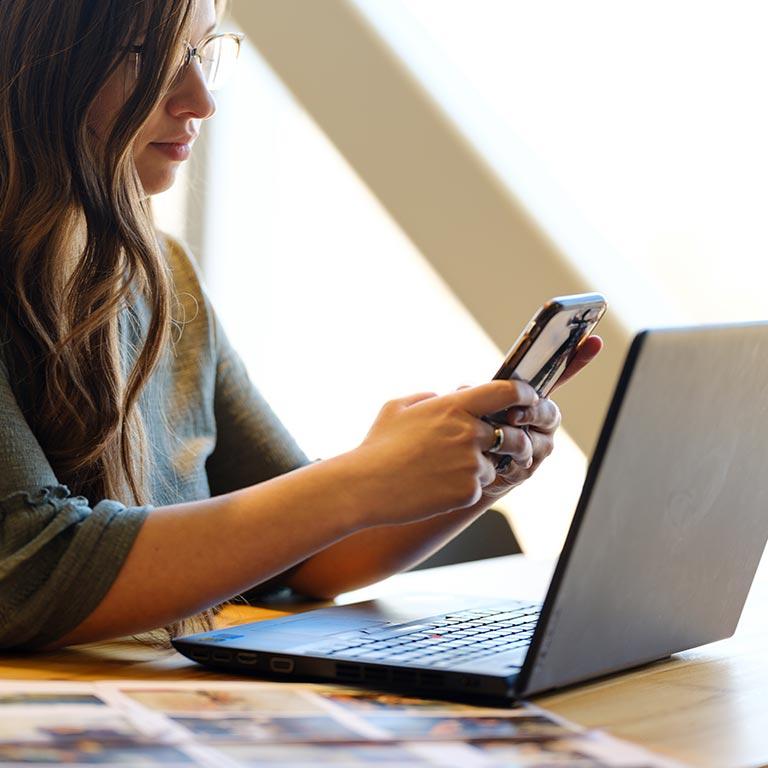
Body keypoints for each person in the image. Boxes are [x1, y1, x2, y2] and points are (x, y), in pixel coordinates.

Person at [0, 0, 601, 651]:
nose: (200, 100)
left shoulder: (165, 277)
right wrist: (360, 479)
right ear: (32, 63)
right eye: (147, 56)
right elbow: (34, 575)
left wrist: (477, 466)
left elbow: (306, 556)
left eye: (201, 53)